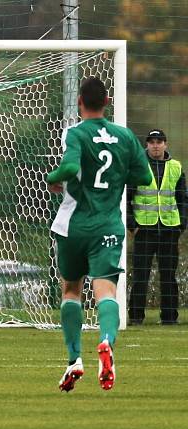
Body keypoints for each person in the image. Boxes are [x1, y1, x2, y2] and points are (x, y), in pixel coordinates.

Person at [47, 77, 152, 393]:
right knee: (105, 291)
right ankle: (106, 342)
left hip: (74, 226)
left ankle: (74, 359)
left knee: (71, 290)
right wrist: (121, 174)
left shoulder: (75, 133)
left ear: (80, 102)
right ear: (106, 102)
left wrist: (52, 177)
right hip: (108, 225)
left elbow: (67, 169)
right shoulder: (124, 136)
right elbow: (145, 176)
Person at [127, 128, 186, 325]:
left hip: (170, 229)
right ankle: (135, 317)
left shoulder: (176, 167)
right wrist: (131, 224)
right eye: (152, 141)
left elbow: (182, 198)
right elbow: (127, 198)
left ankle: (170, 318)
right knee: (140, 276)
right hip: (144, 229)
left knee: (168, 276)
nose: (155, 145)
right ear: (147, 144)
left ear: (165, 144)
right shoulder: (137, 166)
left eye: (159, 141)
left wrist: (182, 225)